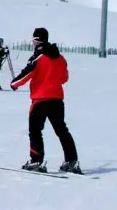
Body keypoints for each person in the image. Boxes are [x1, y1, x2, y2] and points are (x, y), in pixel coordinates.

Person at [10, 27, 81, 174]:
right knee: (62, 130)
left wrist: (14, 84)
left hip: (40, 99)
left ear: (37, 40)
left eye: (34, 40)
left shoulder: (38, 57)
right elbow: (64, 78)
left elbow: (26, 74)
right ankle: (71, 161)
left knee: (35, 130)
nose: (33, 43)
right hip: (57, 100)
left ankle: (36, 160)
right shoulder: (60, 58)